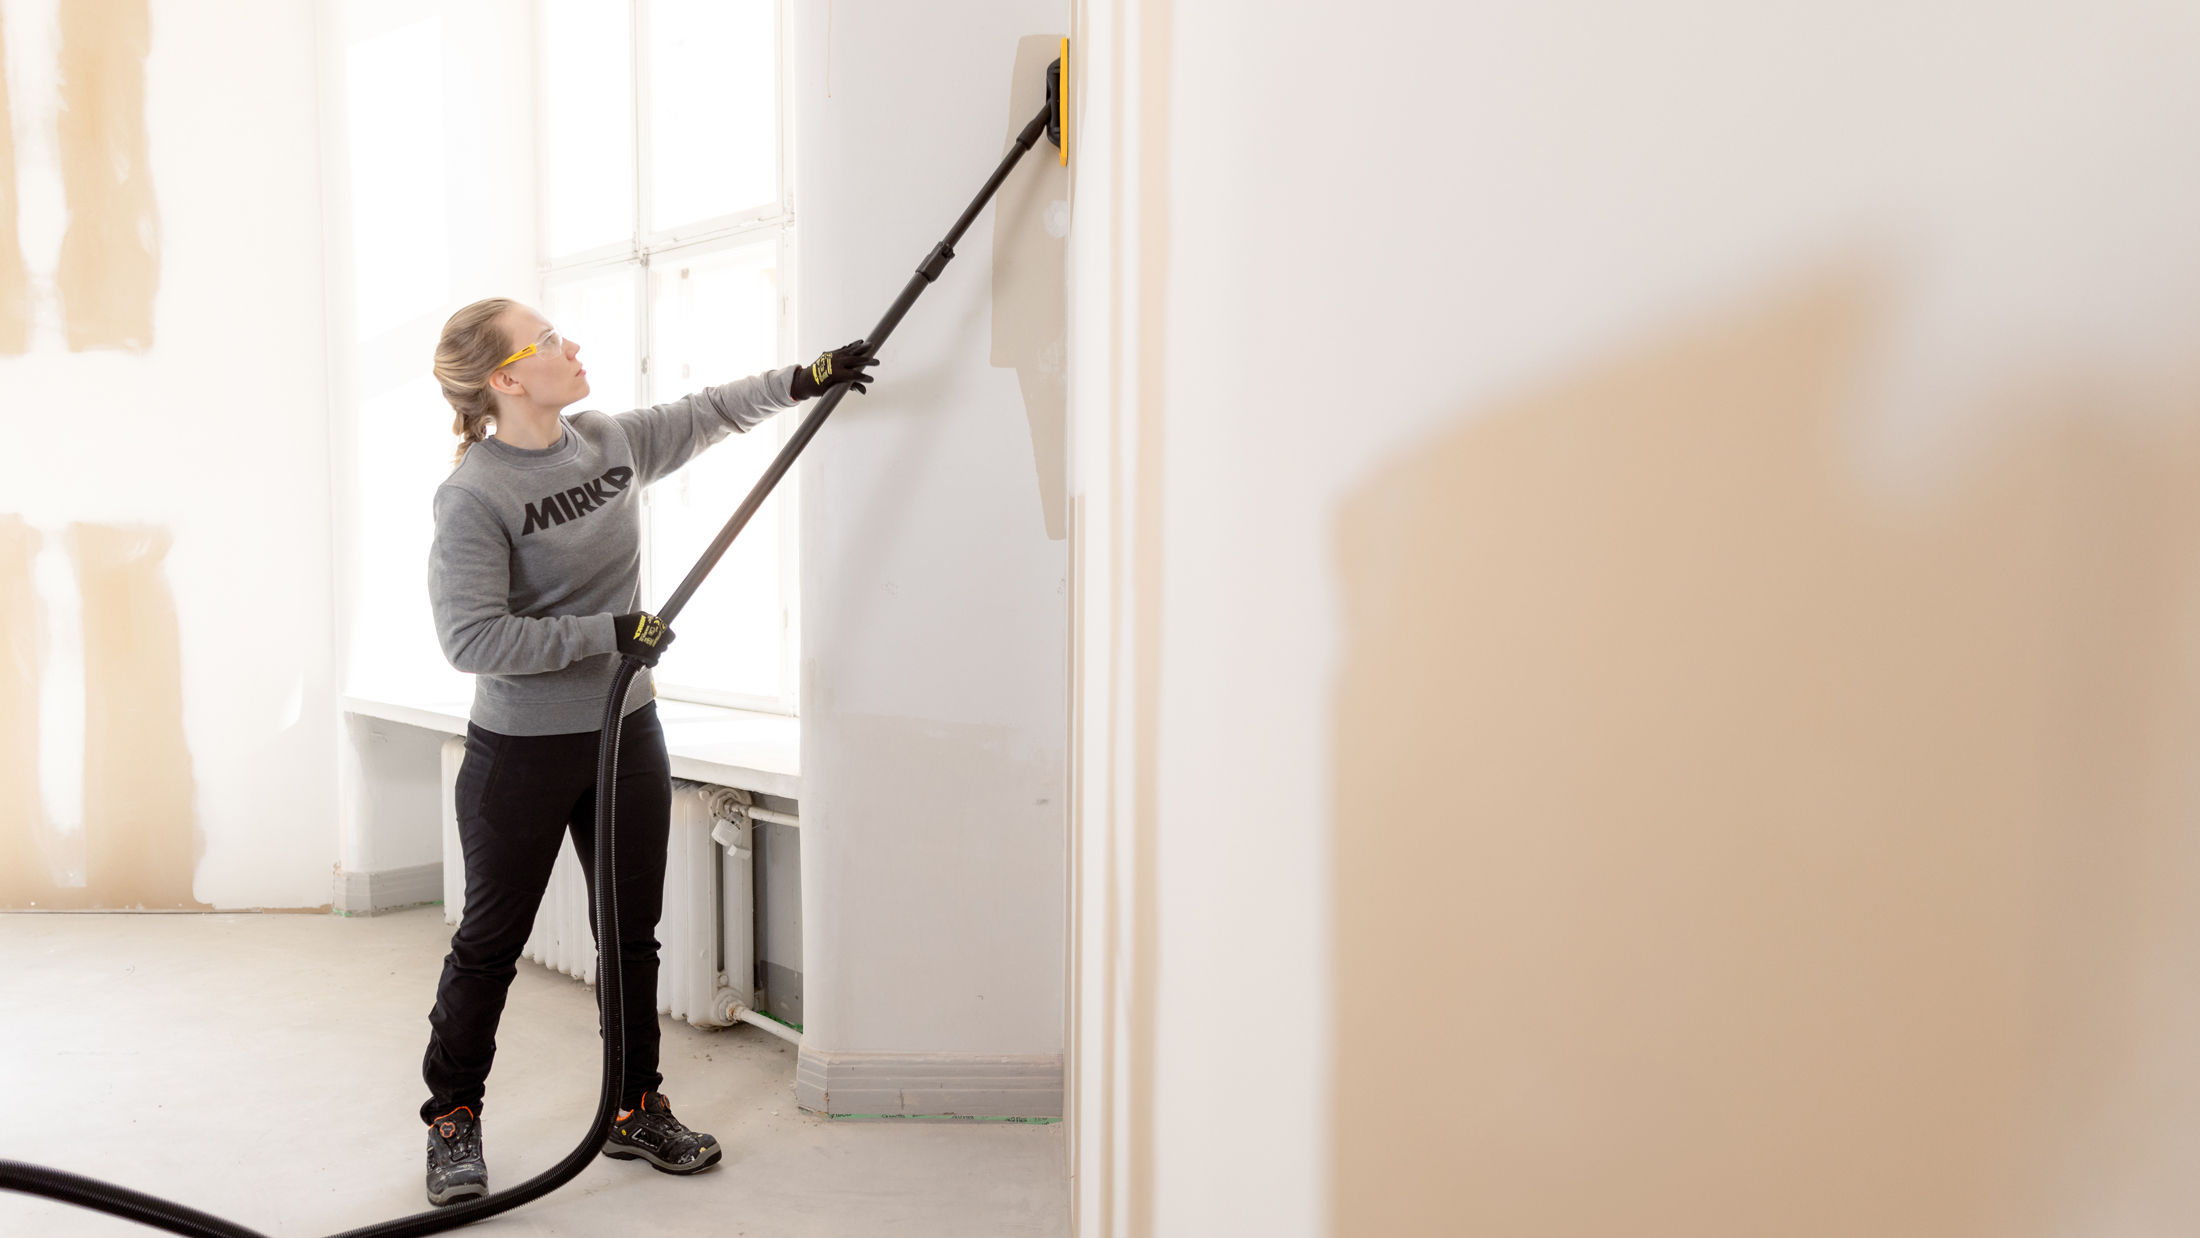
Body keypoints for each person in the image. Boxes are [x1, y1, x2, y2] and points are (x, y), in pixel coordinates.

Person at [416, 297, 874, 1206]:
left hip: (627, 734)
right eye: (550, 340)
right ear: (506, 379)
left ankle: (633, 1108)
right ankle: (451, 1120)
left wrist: (802, 379)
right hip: (520, 751)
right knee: (489, 943)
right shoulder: (475, 496)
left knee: (628, 937)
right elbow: (472, 641)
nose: (574, 344)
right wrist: (607, 633)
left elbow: (704, 414)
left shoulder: (605, 442)